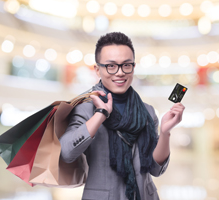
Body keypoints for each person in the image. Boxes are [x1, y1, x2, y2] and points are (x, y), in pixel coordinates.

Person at [60, 32, 185, 200]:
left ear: (133, 67)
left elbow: (155, 169)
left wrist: (165, 132)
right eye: (111, 66)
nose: (120, 73)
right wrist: (101, 114)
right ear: (98, 69)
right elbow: (67, 152)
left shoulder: (146, 112)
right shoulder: (85, 109)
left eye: (126, 65)